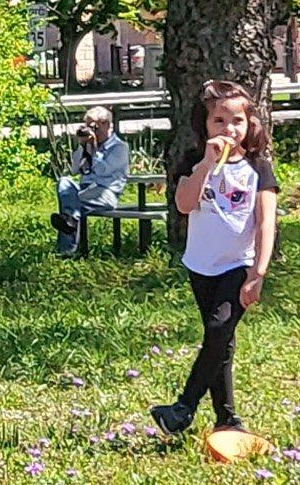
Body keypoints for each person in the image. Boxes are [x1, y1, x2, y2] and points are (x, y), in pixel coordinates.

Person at [151, 80, 279, 439]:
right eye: (219, 121)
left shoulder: (258, 168)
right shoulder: (194, 162)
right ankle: (227, 419)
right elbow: (184, 204)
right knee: (218, 339)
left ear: (249, 123)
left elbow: (266, 222)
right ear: (204, 125)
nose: (229, 129)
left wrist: (258, 272)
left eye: (236, 120)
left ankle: (183, 408)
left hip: (238, 264)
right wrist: (207, 164)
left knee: (220, 329)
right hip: (201, 265)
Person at [51, 105, 131, 256]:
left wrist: (93, 149)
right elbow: (74, 169)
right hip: (84, 191)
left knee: (70, 205)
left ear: (106, 125)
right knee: (64, 182)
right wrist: (83, 146)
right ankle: (70, 223)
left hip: (105, 193)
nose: (90, 130)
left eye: (93, 126)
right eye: (87, 126)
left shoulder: (120, 148)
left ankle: (67, 248)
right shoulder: (88, 145)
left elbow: (103, 170)